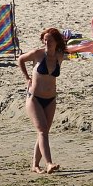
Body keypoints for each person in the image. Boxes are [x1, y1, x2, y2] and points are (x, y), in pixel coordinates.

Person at [17, 28, 66, 173]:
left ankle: (35, 165)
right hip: (34, 98)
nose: (47, 42)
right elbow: (20, 59)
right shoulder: (37, 54)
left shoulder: (60, 56)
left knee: (43, 132)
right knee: (42, 131)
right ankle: (49, 163)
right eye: (45, 39)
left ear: (56, 42)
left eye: (50, 40)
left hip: (51, 99)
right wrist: (27, 78)